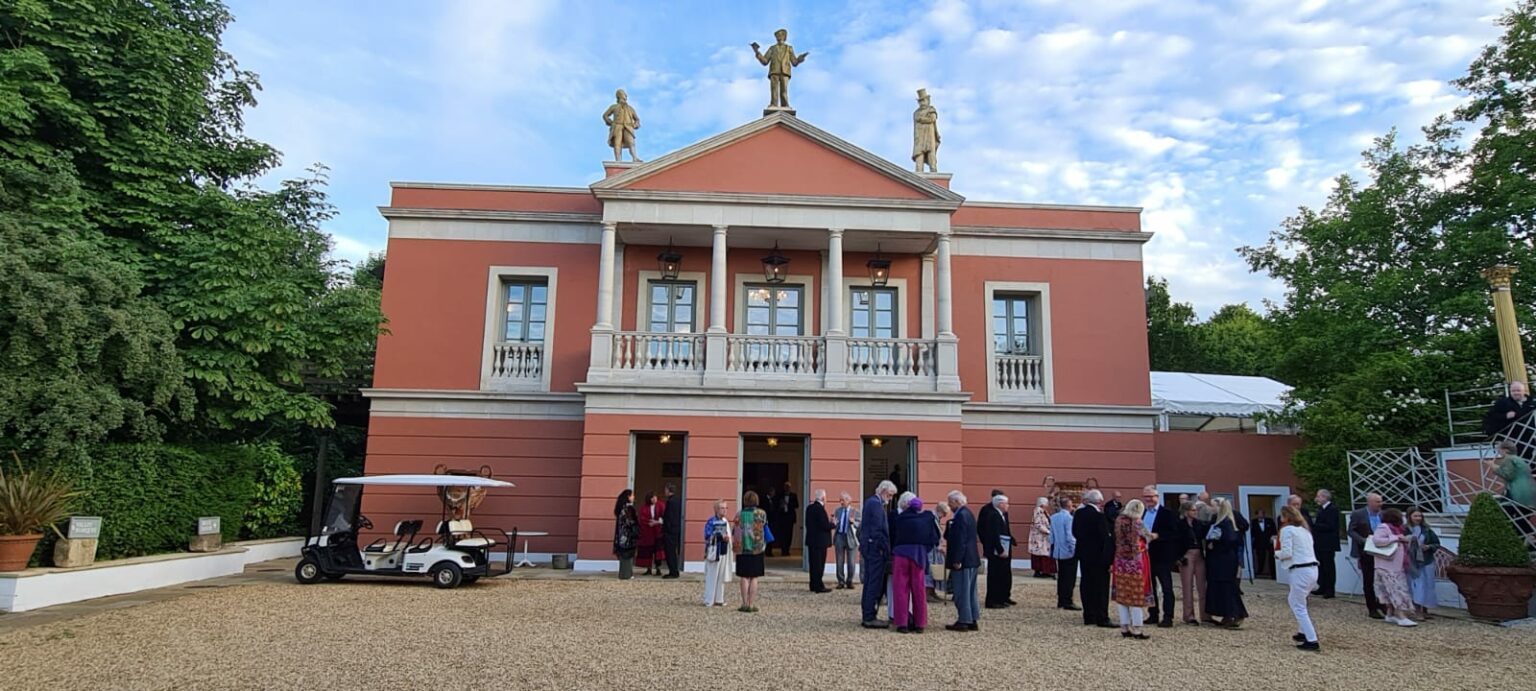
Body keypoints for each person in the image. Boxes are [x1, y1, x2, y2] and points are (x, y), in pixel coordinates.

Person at [892, 496, 941, 633]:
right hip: (919, 554)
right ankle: (920, 623)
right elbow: (935, 537)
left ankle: (902, 623)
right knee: (919, 589)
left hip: (901, 553)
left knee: (901, 590)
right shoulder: (927, 518)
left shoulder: (900, 518)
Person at [1275, 505, 1321, 652]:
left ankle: (1312, 639)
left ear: (1286, 517)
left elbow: (1287, 553)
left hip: (1300, 569)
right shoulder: (1305, 531)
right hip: (1312, 569)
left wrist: (1277, 553)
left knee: (1297, 604)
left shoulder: (1287, 530)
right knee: (1301, 601)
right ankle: (1303, 632)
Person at [1073, 489, 1115, 628]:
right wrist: (1109, 559)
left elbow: (1075, 532)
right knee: (1101, 587)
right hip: (1099, 556)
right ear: (1099, 502)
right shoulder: (1099, 516)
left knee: (1086, 584)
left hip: (1084, 555)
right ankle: (1102, 617)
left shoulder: (1078, 513)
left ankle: (1089, 615)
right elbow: (1105, 539)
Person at [1204, 498, 1248, 628]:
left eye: (1213, 506)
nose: (1211, 509)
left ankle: (1235, 613)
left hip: (1223, 560)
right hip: (1219, 559)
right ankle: (1227, 613)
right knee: (1222, 587)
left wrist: (1214, 544)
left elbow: (1230, 540)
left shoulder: (1226, 523)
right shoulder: (1220, 522)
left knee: (1227, 587)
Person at [1112, 499, 1153, 640]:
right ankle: (1137, 628)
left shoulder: (1119, 520)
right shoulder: (1137, 522)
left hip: (1119, 560)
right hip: (1134, 562)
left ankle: (1124, 626)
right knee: (1136, 595)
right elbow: (1140, 541)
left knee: (1122, 594)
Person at [1370, 508, 1418, 627]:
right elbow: (1377, 540)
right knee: (1396, 590)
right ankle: (1400, 615)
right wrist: (1396, 538)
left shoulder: (1397, 529)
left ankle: (1390, 614)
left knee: (1390, 590)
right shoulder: (1384, 527)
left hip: (1395, 566)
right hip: (1387, 566)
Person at [860, 480, 898, 628]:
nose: (890, 499)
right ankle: (869, 616)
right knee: (874, 583)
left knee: (871, 582)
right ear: (883, 491)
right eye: (889, 495)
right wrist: (884, 548)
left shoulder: (872, 503)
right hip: (876, 550)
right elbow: (877, 530)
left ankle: (868, 614)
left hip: (871, 548)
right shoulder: (875, 504)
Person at [1141, 485, 1178, 627]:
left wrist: (1158, 535)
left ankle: (1168, 616)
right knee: (1150, 587)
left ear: (1157, 497)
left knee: (1167, 587)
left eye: (1151, 496)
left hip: (1162, 555)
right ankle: (1153, 614)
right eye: (1146, 496)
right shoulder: (1142, 513)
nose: (1148, 499)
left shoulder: (1167, 513)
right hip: (1146, 555)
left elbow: (1174, 533)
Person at [944, 490, 980, 632]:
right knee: (971, 591)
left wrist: (957, 559)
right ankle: (972, 618)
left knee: (961, 592)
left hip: (963, 560)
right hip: (972, 559)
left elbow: (960, 540)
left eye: (950, 502)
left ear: (957, 502)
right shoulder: (968, 514)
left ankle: (964, 619)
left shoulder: (960, 517)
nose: (949, 505)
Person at [1347, 492, 1385, 619]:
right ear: (1369, 502)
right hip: (1366, 551)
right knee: (1368, 580)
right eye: (1377, 502)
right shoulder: (1358, 514)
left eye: (1381, 501)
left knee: (1383, 578)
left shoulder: (1383, 514)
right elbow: (1351, 530)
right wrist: (1362, 540)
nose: (1380, 504)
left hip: (1382, 551)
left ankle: (1383, 604)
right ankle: (1372, 607)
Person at [750, 28, 809, 110]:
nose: (779, 37)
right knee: (774, 90)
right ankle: (773, 104)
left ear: (784, 37)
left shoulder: (789, 48)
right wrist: (757, 52)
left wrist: (800, 59)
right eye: (777, 35)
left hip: (785, 71)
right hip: (774, 71)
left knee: (784, 90)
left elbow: (794, 62)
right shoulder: (772, 48)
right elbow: (765, 61)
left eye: (781, 35)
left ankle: (785, 105)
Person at [734, 491, 769, 613]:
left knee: (744, 576)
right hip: (757, 548)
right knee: (754, 577)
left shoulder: (739, 514)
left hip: (742, 549)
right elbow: (764, 526)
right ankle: (751, 604)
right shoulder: (761, 513)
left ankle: (744, 603)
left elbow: (735, 530)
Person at [978, 494, 1014, 609]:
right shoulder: (993, 515)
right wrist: (1000, 550)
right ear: (1000, 504)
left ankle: (1000, 598)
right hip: (996, 551)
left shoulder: (1000, 515)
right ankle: (993, 600)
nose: (1008, 506)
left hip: (1001, 549)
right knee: (995, 576)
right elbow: (994, 535)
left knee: (1001, 575)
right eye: (1006, 503)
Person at [1406, 507, 1441, 619]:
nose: (1418, 518)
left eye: (1420, 516)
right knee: (1417, 585)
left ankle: (1425, 609)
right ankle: (1417, 610)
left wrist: (1429, 547)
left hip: (1426, 560)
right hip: (1412, 561)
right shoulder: (1405, 529)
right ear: (1410, 517)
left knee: (1428, 585)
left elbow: (1436, 543)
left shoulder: (1427, 530)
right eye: (1415, 516)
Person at [1176, 501, 1208, 625]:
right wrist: (1179, 557)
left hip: (1199, 553)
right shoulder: (1179, 524)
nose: (1195, 512)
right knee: (1187, 586)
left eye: (1195, 510)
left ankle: (1205, 614)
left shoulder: (1199, 524)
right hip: (1186, 554)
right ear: (1186, 511)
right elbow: (1176, 542)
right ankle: (1189, 615)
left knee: (1202, 586)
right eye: (1193, 510)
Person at [1050, 495, 1079, 610]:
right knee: (1069, 577)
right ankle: (1067, 600)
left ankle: (1061, 599)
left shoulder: (1053, 517)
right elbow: (1070, 536)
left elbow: (1051, 536)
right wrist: (1074, 549)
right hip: (1068, 550)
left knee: (1061, 576)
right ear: (1069, 506)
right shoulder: (1069, 518)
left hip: (1058, 549)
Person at [1488, 439, 1536, 507]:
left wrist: (1493, 467)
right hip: (1527, 490)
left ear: (1506, 450)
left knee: (1505, 510)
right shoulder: (1517, 459)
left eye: (1499, 449)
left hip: (1517, 491)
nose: (1498, 452)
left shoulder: (1508, 459)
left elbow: (1508, 475)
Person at [703, 500, 733, 607]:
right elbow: (707, 535)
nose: (724, 510)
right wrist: (720, 537)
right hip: (714, 552)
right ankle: (709, 600)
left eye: (725, 508)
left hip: (724, 551)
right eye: (722, 508)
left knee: (721, 576)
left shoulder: (726, 521)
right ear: (716, 509)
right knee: (712, 576)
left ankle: (719, 599)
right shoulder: (711, 521)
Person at [1311, 489, 1340, 598]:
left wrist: (1314, 525)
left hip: (1328, 543)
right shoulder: (1321, 509)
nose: (1317, 499)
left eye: (1318, 496)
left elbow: (1330, 526)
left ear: (1324, 497)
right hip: (1320, 543)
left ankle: (1330, 589)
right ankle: (1322, 586)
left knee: (1328, 567)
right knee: (1321, 566)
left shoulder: (1332, 509)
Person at [804, 489, 833, 593]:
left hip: (811, 540)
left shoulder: (809, 508)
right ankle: (818, 586)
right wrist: (833, 524)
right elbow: (824, 525)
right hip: (820, 542)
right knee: (819, 565)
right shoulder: (820, 509)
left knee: (813, 564)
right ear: (823, 498)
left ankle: (813, 584)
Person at [601, 89, 641, 162]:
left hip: (628, 127)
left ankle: (635, 158)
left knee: (631, 142)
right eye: (624, 94)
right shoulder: (614, 107)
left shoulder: (630, 108)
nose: (626, 96)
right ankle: (618, 160)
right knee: (617, 143)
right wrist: (610, 122)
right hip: (617, 126)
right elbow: (605, 115)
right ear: (619, 95)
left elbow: (637, 119)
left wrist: (636, 124)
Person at [833, 492, 859, 589]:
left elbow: (860, 525)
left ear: (849, 501)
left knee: (851, 561)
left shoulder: (855, 511)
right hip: (840, 536)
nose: (841, 502)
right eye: (840, 500)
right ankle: (840, 581)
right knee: (839, 561)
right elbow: (835, 522)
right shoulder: (837, 511)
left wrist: (853, 522)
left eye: (843, 500)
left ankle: (850, 581)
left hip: (851, 537)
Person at [613, 490, 640, 580]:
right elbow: (630, 522)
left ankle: (624, 573)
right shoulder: (627, 509)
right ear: (628, 497)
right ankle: (627, 574)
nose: (633, 497)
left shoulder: (621, 508)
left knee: (623, 556)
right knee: (627, 556)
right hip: (627, 536)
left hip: (621, 536)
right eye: (632, 495)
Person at [637, 491, 665, 576]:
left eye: (655, 497)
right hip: (648, 533)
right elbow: (642, 518)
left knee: (658, 551)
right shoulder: (644, 508)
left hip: (658, 532)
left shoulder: (661, 505)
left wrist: (656, 522)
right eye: (652, 497)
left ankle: (658, 568)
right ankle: (648, 568)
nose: (654, 499)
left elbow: (664, 517)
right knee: (648, 551)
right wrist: (649, 522)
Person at [928, 502, 951, 602]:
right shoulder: (932, 519)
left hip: (935, 549)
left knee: (935, 569)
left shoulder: (936, 519)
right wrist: (938, 545)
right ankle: (928, 592)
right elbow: (932, 534)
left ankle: (932, 592)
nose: (945, 517)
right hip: (932, 549)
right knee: (931, 570)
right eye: (944, 514)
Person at [1029, 496, 1056, 579]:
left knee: (1044, 554)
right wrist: (1048, 531)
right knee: (1041, 554)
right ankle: (1042, 571)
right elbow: (1038, 524)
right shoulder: (1038, 510)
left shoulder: (1044, 511)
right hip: (1039, 537)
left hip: (1043, 537)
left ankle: (1045, 571)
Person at [661, 483, 683, 578]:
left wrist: (664, 526)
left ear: (668, 490)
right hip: (676, 529)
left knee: (670, 552)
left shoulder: (670, 502)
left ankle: (673, 572)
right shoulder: (678, 500)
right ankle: (674, 571)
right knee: (673, 552)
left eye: (665, 490)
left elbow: (669, 517)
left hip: (670, 531)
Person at [1251, 508, 1277, 579]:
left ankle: (1273, 573)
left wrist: (1273, 538)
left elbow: (1274, 531)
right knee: (1260, 557)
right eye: (1259, 513)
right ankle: (1259, 572)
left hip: (1269, 542)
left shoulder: (1270, 521)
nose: (1261, 515)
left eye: (1262, 513)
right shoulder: (1253, 522)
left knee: (1272, 557)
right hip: (1259, 543)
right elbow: (1252, 533)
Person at [775, 482, 799, 557]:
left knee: (789, 534)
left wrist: (788, 504)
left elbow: (797, 505)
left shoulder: (793, 495)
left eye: (788, 487)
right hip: (782, 517)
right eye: (786, 487)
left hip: (790, 518)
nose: (787, 488)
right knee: (782, 534)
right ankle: (783, 549)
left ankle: (787, 549)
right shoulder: (780, 495)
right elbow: (776, 504)